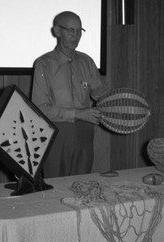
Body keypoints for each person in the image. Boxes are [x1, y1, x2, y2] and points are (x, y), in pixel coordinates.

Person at [31, 11, 108, 178]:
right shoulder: (44, 64)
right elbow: (39, 108)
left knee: (81, 185)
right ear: (57, 31)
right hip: (57, 133)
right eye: (70, 30)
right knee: (56, 189)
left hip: (85, 133)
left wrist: (123, 107)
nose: (76, 36)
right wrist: (79, 113)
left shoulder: (87, 62)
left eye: (79, 31)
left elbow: (101, 96)